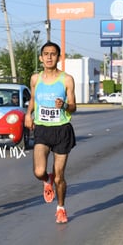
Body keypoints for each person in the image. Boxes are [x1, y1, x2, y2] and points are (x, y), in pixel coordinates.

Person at [24, 41, 76, 224]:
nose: (49, 57)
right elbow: (32, 99)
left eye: (53, 54)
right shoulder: (35, 79)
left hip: (62, 130)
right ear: (41, 57)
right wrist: (28, 115)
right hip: (42, 129)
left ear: (58, 57)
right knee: (39, 171)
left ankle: (60, 208)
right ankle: (47, 180)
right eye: (45, 53)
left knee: (60, 176)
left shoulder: (66, 79)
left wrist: (65, 106)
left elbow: (74, 106)